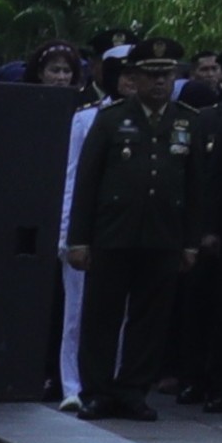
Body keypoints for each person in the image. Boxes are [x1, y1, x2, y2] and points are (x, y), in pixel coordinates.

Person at [58, 42, 194, 421]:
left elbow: (196, 186)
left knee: (149, 320)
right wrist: (78, 239)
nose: (159, 83)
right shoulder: (111, 118)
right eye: (151, 75)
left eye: (166, 75)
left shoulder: (187, 120)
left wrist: (192, 242)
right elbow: (86, 182)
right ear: (134, 79)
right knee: (101, 316)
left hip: (163, 235)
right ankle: (97, 391)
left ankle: (133, 390)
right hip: (113, 234)